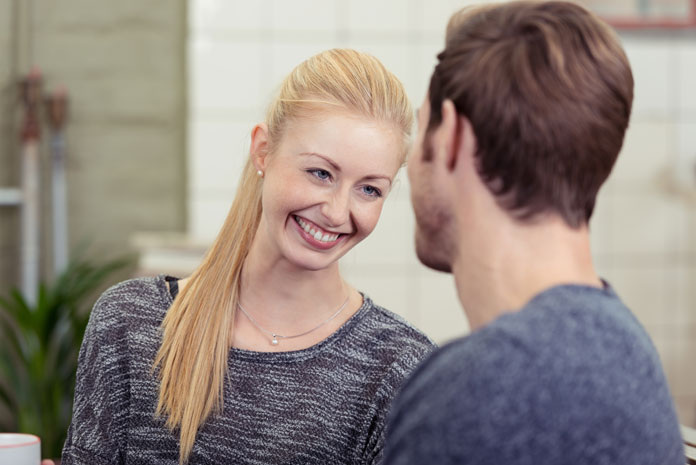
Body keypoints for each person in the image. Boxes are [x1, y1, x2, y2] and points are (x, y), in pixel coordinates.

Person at [59, 49, 435, 465]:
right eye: (320, 173)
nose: (336, 212)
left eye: (369, 189)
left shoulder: (401, 370)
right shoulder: (130, 324)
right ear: (263, 151)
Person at [383, 2, 685, 465]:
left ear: (453, 140)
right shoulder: (627, 349)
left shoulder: (472, 396)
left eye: (421, 127)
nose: (408, 160)